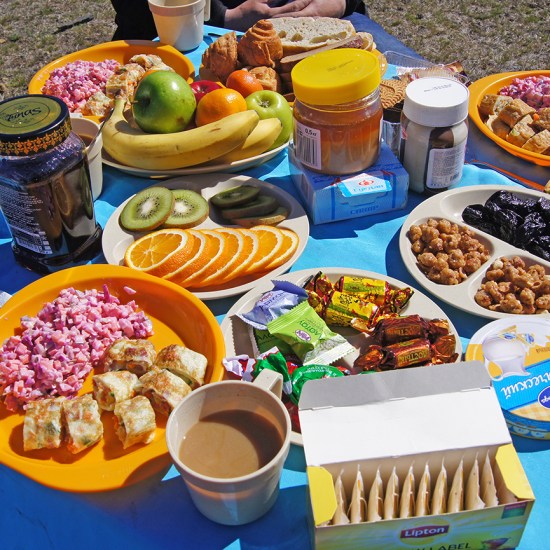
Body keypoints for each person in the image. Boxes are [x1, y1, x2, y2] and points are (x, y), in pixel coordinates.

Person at [111, 0, 366, 40]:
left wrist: (342, 2)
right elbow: (133, 8)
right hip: (190, 30)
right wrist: (224, 17)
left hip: (325, 18)